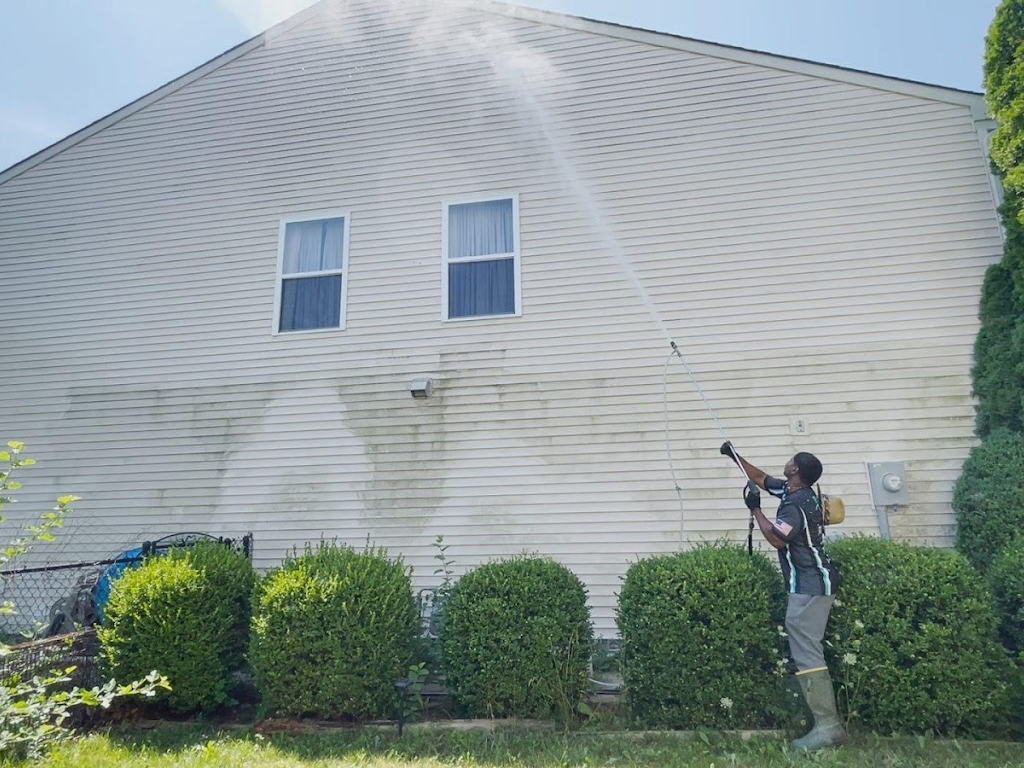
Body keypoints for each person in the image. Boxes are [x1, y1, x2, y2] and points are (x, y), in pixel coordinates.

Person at [720, 441, 847, 752]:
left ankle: (828, 728)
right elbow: (761, 478)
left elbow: (777, 539)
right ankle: (824, 724)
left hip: (810, 586)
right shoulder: (793, 491)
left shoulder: (795, 504)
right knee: (806, 651)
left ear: (796, 470)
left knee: (808, 654)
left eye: (791, 460)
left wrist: (755, 509)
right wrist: (734, 456)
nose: (786, 461)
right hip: (811, 584)